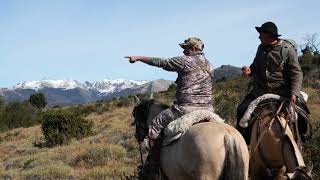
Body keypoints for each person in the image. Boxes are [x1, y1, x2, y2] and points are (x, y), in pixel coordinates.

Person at [125, 37, 214, 178]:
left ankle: (153, 168)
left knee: (154, 126)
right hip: (208, 109)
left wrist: (139, 58)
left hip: (185, 108)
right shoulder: (209, 65)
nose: (183, 51)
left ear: (191, 48)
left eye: (185, 48)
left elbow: (162, 62)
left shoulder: (185, 61)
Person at [236, 21, 304, 143]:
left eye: (261, 34)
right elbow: (255, 66)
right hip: (260, 92)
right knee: (241, 110)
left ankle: (302, 141)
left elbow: (296, 73)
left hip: (283, 93)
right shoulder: (260, 48)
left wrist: (294, 93)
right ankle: (243, 144)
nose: (259, 37)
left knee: (302, 114)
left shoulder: (287, 50)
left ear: (269, 35)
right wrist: (249, 71)